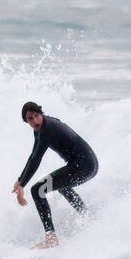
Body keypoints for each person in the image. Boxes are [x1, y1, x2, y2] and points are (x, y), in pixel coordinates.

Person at [12, 102, 99, 249]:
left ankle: (51, 237)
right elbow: (33, 155)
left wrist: (22, 185)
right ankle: (88, 218)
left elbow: (37, 159)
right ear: (26, 121)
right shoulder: (41, 129)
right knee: (62, 185)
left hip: (84, 166)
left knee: (37, 190)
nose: (35, 121)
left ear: (41, 114)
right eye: (30, 119)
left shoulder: (48, 129)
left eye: (36, 116)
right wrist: (20, 180)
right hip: (84, 165)